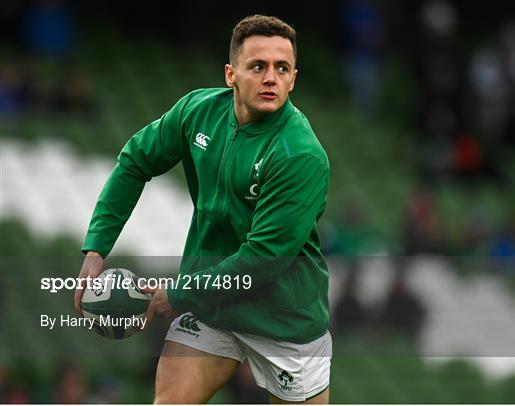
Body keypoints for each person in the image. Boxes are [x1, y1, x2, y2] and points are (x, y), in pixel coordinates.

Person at [75, 15, 331, 404]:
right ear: (231, 74)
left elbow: (262, 261)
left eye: (282, 68)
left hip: (283, 320)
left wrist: (177, 293)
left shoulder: (301, 155)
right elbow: (134, 163)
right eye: (258, 66)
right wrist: (96, 249)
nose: (270, 78)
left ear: (293, 79)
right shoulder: (197, 111)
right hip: (213, 306)